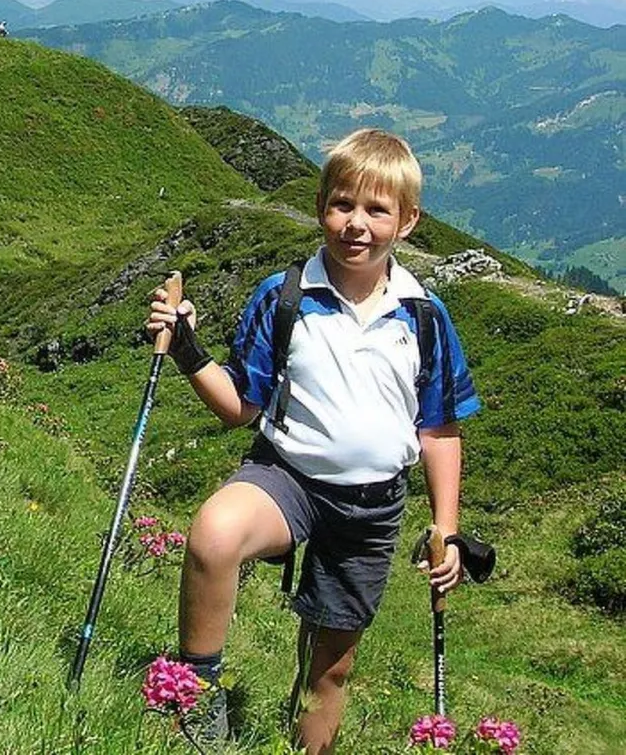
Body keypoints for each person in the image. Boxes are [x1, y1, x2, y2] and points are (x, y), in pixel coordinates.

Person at [146, 128, 480, 754]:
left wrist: (447, 526)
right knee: (215, 534)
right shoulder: (284, 297)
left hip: (372, 508)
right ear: (320, 205)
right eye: (342, 204)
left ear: (408, 221)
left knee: (330, 669)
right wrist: (187, 350)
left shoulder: (424, 317)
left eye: (377, 210)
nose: (357, 224)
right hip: (287, 477)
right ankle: (196, 700)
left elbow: (439, 428)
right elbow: (240, 407)